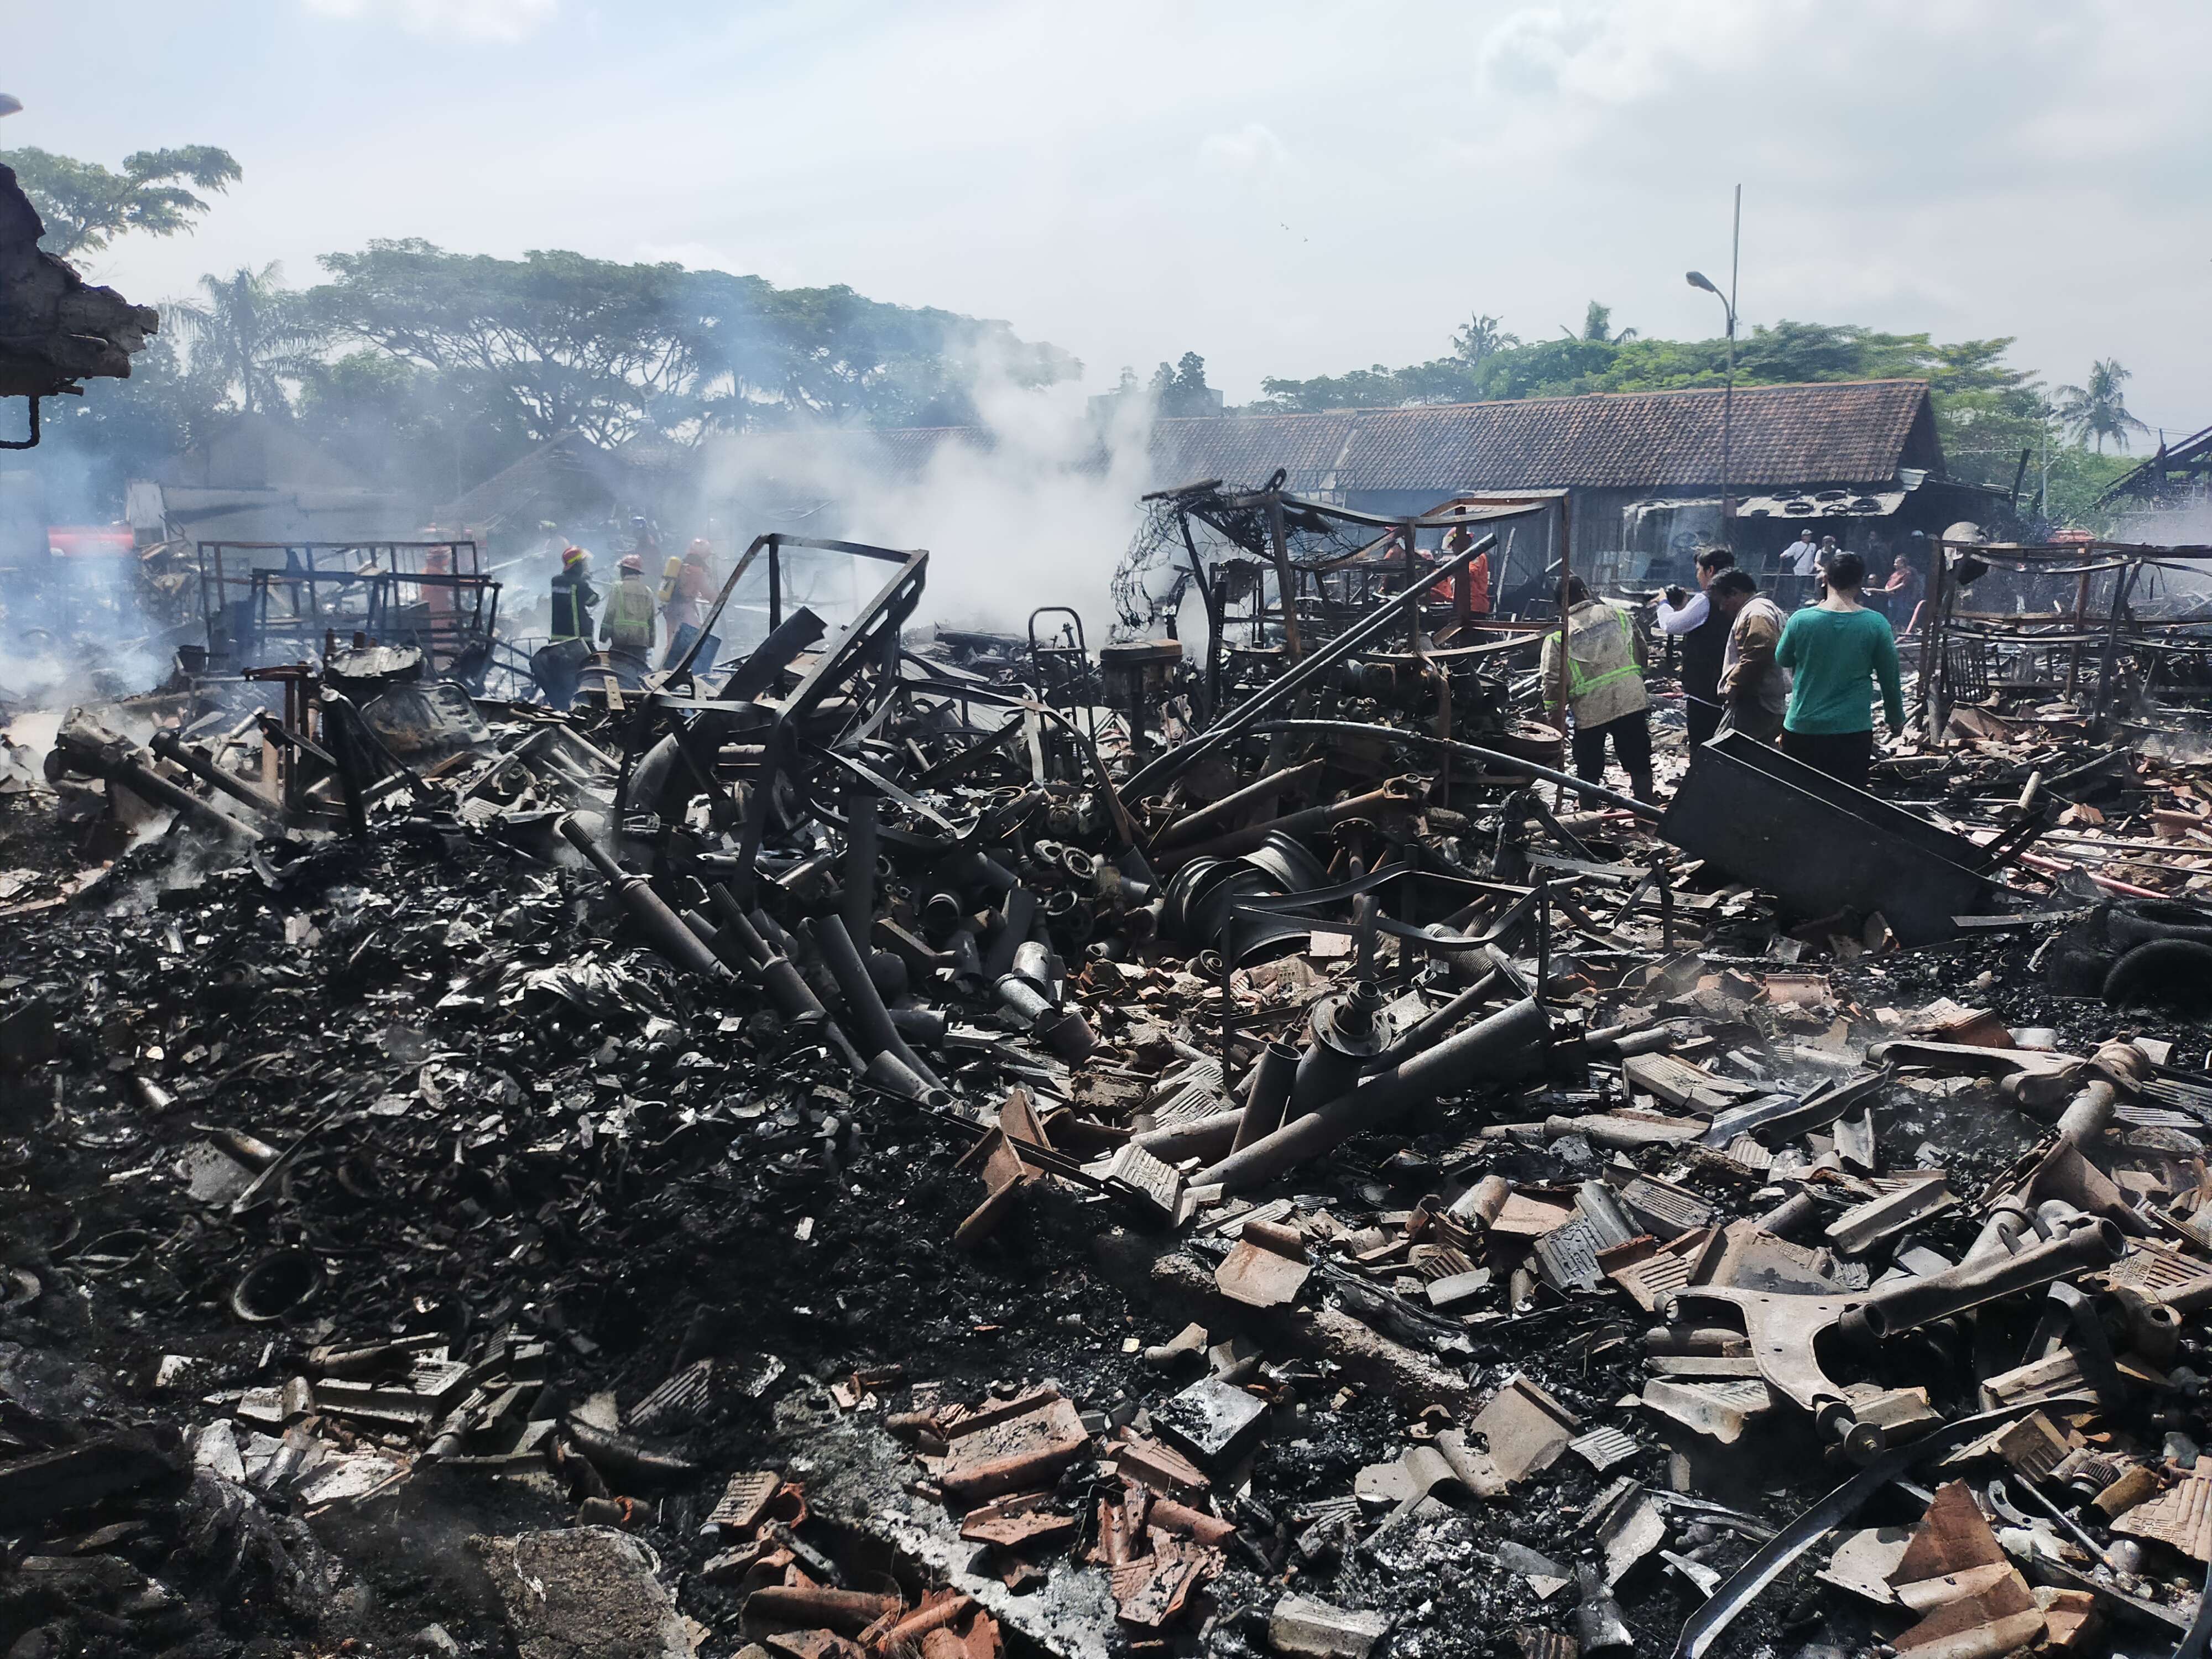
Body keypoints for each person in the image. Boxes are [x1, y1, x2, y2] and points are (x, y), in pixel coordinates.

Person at [1775, 550, 1905, 790]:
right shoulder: (1876, 623)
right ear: (1860, 582)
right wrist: (1895, 718)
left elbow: (1782, 658)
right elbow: (1890, 678)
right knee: (1846, 805)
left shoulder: (1801, 620)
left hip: (1803, 728)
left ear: (1826, 579)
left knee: (1799, 803)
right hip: (1852, 732)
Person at [1541, 575, 1655, 802]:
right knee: (1639, 762)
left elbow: (1552, 682)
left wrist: (1556, 719)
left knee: (1588, 770)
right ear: (1585, 592)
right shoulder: (1619, 615)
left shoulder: (1558, 635)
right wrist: (1635, 680)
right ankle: (1647, 815)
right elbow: (1642, 650)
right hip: (1629, 699)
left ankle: (1586, 822)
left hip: (1589, 710)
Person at [1654, 547, 1734, 747]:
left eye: (1699, 570)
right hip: (1730, 685)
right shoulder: (1735, 596)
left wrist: (1663, 603)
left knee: (1702, 745)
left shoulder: (1706, 599)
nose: (1697, 576)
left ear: (1710, 571)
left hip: (1704, 687)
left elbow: (1670, 625)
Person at [1708, 570, 1792, 741]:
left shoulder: (1755, 611)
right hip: (1768, 700)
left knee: (1725, 755)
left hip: (1755, 702)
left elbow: (1762, 648)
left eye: (1722, 601)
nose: (1722, 608)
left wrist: (1734, 684)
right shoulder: (1766, 609)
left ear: (1734, 593)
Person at [661, 538, 717, 667]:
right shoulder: (697, 571)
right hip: (685, 610)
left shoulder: (681, 567)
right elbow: (707, 593)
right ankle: (687, 669)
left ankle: (664, 668)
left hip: (670, 609)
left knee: (671, 642)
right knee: (697, 638)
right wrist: (720, 600)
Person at [602, 552, 658, 659]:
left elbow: (610, 612)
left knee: (618, 667)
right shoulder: (648, 591)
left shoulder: (618, 587)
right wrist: (651, 641)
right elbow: (651, 619)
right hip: (641, 640)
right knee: (638, 670)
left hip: (621, 638)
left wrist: (604, 635)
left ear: (624, 570)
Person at [1434, 522, 1491, 618]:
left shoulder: (1476, 555)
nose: (1453, 550)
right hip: (1463, 605)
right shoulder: (1466, 558)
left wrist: (1452, 566)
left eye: (1453, 546)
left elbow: (1468, 574)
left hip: (1474, 607)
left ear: (1461, 543)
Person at [549, 545, 597, 642]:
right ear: (576, 566)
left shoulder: (556, 581)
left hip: (558, 636)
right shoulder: (579, 584)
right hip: (578, 638)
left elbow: (570, 591)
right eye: (583, 564)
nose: (585, 566)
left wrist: (579, 579)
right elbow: (593, 600)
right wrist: (583, 581)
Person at [1879, 553, 1924, 632]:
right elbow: (1889, 582)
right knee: (1891, 614)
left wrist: (1891, 590)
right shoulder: (1895, 574)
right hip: (1892, 598)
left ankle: (1902, 632)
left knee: (1901, 616)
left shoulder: (1907, 573)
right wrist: (1887, 588)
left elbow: (1903, 584)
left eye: (1897, 563)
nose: (1895, 564)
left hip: (1902, 598)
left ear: (1902, 564)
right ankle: (1893, 632)